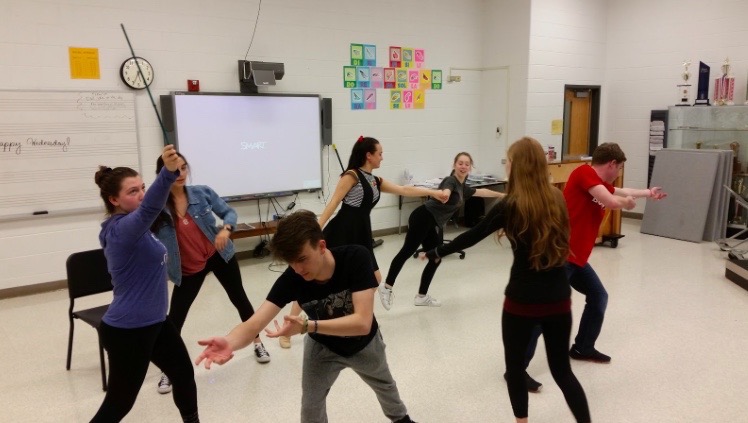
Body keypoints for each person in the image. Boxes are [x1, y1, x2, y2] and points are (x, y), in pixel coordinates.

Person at [423, 137, 590, 423]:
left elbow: (472, 236)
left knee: (514, 368)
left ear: (518, 166)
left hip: (521, 301)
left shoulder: (511, 204)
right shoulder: (557, 197)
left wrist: (438, 250)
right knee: (563, 371)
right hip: (558, 299)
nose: (507, 165)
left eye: (509, 160)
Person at [195, 210, 416, 423]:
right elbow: (255, 323)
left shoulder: (356, 257)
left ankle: (401, 419)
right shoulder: (292, 278)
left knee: (386, 386)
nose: (298, 269)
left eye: (302, 258)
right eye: (291, 262)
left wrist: (307, 326)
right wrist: (230, 342)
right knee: (311, 405)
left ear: (321, 246)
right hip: (322, 349)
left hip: (365, 345)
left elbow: (362, 323)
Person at [278, 135, 448, 348]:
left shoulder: (375, 181)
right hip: (342, 231)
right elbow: (333, 204)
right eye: (380, 154)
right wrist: (315, 230)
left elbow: (405, 190)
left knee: (374, 279)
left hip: (361, 234)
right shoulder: (352, 176)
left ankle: (348, 319)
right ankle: (290, 328)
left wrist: (435, 193)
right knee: (309, 279)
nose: (382, 158)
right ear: (369, 155)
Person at [520, 142, 667, 374]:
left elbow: (618, 192)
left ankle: (583, 348)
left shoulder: (597, 182)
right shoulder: (583, 173)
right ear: (612, 163)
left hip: (576, 259)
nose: (618, 174)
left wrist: (648, 193)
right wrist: (626, 204)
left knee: (598, 296)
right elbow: (611, 200)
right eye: (618, 169)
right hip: (561, 256)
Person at [91, 145, 199, 423]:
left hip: (156, 323)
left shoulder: (137, 226)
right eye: (132, 192)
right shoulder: (120, 230)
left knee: (183, 375)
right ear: (114, 199)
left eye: (142, 187)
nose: (141, 195)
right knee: (120, 404)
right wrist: (168, 171)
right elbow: (150, 207)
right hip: (128, 330)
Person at [150, 152, 269, 395]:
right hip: (188, 267)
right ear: (164, 174)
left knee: (239, 298)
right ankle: (168, 368)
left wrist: (226, 229)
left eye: (184, 168)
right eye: (174, 169)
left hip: (219, 255)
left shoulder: (201, 192)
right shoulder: (157, 207)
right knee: (176, 317)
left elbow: (229, 213)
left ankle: (257, 343)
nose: (181, 174)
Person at [379, 151, 504, 308]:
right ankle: (386, 287)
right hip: (422, 217)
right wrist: (444, 194)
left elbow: (482, 192)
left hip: (431, 222)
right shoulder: (450, 181)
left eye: (467, 164)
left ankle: (421, 296)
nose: (463, 166)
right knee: (407, 251)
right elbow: (446, 190)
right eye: (460, 163)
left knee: (436, 257)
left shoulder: (463, 187)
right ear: (454, 165)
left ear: (470, 167)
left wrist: (502, 195)